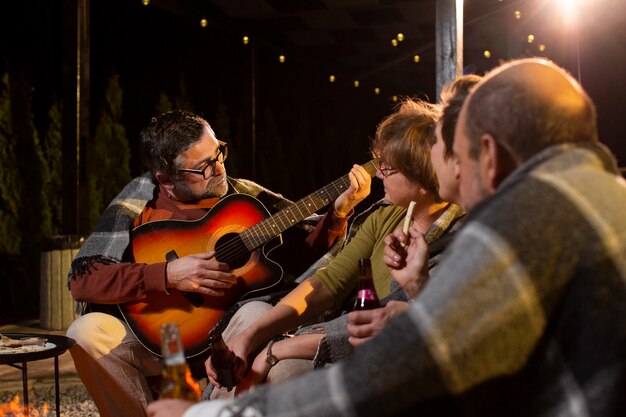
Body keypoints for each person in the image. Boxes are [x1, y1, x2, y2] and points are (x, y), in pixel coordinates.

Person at [147, 58, 626, 417]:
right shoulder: (599, 194)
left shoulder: (518, 222)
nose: (448, 169)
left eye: (449, 153)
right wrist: (419, 298)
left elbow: (392, 376)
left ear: (487, 153)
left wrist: (206, 414)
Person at [65, 110, 372, 417]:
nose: (219, 168)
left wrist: (337, 215)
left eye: (219, 153)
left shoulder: (245, 197)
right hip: (154, 339)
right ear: (166, 180)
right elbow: (83, 279)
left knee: (258, 314)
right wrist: (168, 274)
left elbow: (301, 258)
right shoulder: (137, 203)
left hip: (225, 341)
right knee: (85, 332)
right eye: (204, 167)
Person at [205, 98, 465, 396]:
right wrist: (250, 338)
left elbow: (382, 332)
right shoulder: (386, 215)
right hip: (341, 334)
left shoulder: (456, 241)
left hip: (384, 365)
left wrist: (273, 350)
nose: (378, 174)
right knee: (251, 316)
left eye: (389, 168)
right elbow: (329, 283)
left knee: (283, 372)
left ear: (423, 179)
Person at [347, 74, 481, 346]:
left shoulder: (490, 233)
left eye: (440, 145)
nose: (431, 157)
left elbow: (483, 348)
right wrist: (417, 286)